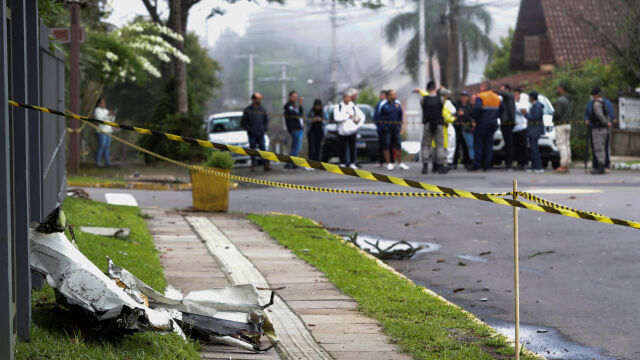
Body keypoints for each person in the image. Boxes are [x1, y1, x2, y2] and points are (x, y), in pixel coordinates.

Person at [415, 81, 447, 174]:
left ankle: (425, 166)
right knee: (439, 145)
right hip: (439, 124)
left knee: (426, 145)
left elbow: (422, 107)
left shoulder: (423, 99)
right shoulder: (441, 99)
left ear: (427, 88)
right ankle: (440, 166)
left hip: (427, 124)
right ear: (435, 88)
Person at [472, 81, 502, 172]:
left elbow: (477, 108)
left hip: (481, 123)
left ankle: (477, 165)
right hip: (493, 123)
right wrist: (496, 116)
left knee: (479, 144)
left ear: (483, 86)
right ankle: (487, 166)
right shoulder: (496, 97)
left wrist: (475, 118)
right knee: (489, 144)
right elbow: (502, 109)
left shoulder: (480, 96)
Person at [378, 89, 409, 170]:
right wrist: (383, 127)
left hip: (396, 128)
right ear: (388, 96)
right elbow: (379, 117)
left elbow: (400, 115)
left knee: (398, 145)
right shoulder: (383, 105)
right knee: (386, 146)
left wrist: (399, 126)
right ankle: (389, 163)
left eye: (394, 94)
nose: (394, 96)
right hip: (387, 129)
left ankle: (400, 163)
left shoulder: (397, 104)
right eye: (392, 94)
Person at [333, 90, 365, 169]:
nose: (348, 99)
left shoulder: (353, 106)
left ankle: (352, 162)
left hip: (352, 131)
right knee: (342, 148)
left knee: (352, 148)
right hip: (342, 132)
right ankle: (343, 162)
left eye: (349, 97)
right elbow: (336, 118)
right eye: (346, 97)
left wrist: (357, 126)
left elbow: (362, 117)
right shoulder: (338, 107)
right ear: (343, 98)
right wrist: (347, 116)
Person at [585, 90, 615, 172]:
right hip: (601, 129)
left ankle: (602, 166)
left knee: (599, 148)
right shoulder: (604, 103)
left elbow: (600, 115)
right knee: (600, 147)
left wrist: (606, 123)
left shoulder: (597, 103)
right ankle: (599, 166)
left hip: (598, 129)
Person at [241, 92, 271, 172]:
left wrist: (264, 128)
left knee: (263, 149)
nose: (259, 100)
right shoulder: (247, 110)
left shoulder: (262, 109)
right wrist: (250, 130)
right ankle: (253, 165)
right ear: (253, 99)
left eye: (260, 99)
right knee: (252, 150)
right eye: (258, 99)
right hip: (252, 134)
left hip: (261, 133)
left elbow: (266, 120)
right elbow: (244, 122)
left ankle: (265, 164)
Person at [521, 91, 544, 173]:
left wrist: (525, 114)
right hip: (533, 130)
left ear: (531, 97)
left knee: (534, 149)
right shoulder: (535, 105)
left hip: (535, 130)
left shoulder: (537, 106)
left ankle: (538, 167)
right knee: (532, 149)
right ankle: (534, 166)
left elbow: (535, 117)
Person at [552, 83, 573, 173]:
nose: (557, 89)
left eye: (558, 87)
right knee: (567, 144)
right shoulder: (569, 100)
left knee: (561, 145)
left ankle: (563, 165)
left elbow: (557, 113)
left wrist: (554, 120)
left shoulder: (560, 100)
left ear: (561, 88)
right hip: (568, 123)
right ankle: (567, 163)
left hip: (560, 124)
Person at [496, 84, 516, 169]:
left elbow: (503, 94)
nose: (501, 91)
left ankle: (509, 163)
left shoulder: (510, 96)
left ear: (507, 89)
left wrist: (495, 92)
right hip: (504, 123)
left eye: (502, 89)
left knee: (509, 143)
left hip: (508, 122)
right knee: (507, 143)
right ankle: (508, 161)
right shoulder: (504, 99)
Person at [283, 91, 304, 169]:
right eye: (294, 96)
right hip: (294, 129)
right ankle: (289, 164)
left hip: (299, 128)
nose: (295, 98)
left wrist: (300, 105)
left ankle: (293, 163)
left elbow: (301, 115)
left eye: (296, 96)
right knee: (296, 147)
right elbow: (295, 115)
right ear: (290, 97)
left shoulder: (295, 106)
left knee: (295, 147)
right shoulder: (288, 106)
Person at [453, 91, 473, 169]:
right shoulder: (457, 105)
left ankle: (467, 162)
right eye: (462, 96)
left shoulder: (469, 106)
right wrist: (458, 113)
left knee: (466, 146)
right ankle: (454, 163)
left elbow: (471, 116)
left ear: (467, 97)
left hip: (466, 128)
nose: (463, 98)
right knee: (456, 146)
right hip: (457, 127)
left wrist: (464, 114)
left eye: (465, 96)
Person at [439, 88, 457, 170]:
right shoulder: (446, 103)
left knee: (447, 144)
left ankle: (445, 161)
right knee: (449, 144)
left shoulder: (445, 102)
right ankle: (447, 162)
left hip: (443, 126)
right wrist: (453, 119)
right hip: (447, 125)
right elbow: (453, 112)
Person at [94, 98, 115, 167]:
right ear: (99, 103)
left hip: (108, 131)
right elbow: (99, 119)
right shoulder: (97, 110)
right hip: (101, 131)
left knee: (107, 147)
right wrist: (107, 115)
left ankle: (107, 162)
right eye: (102, 102)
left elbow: (111, 121)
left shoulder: (106, 110)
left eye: (104, 102)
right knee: (101, 146)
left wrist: (112, 115)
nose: (104, 104)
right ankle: (98, 161)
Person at [512, 88, 529, 170]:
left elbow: (522, 111)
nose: (515, 96)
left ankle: (525, 163)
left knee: (523, 147)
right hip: (514, 128)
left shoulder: (523, 101)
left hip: (522, 127)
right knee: (517, 147)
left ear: (519, 94)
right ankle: (519, 163)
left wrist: (515, 103)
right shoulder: (513, 102)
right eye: (514, 94)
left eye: (516, 94)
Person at [306, 99, 325, 163]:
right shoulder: (310, 111)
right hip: (311, 131)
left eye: (319, 106)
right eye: (316, 106)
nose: (317, 107)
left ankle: (317, 162)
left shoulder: (323, 111)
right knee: (311, 146)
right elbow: (305, 120)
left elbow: (327, 120)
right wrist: (313, 120)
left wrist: (321, 120)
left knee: (318, 147)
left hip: (320, 131)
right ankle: (311, 162)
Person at [373, 90, 388, 168]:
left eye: (382, 95)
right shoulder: (379, 104)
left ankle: (391, 161)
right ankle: (381, 161)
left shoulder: (389, 103)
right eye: (380, 95)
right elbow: (375, 116)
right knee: (381, 145)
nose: (380, 96)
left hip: (389, 128)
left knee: (390, 145)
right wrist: (379, 126)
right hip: (381, 129)